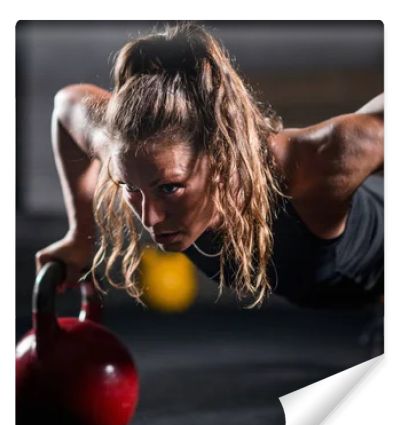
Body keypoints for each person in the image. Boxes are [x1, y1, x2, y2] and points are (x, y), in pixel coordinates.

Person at [35, 22, 384, 309]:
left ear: (221, 157)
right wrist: (80, 237)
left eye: (169, 188)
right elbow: (66, 105)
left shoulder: (310, 165)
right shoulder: (130, 149)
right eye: (130, 188)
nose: (150, 218)